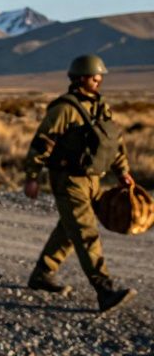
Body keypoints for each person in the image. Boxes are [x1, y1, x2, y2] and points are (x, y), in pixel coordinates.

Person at [23, 54, 136, 313]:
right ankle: (104, 290)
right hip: (68, 180)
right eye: (95, 77)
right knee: (85, 233)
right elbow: (42, 143)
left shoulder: (100, 106)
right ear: (81, 78)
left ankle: (42, 274)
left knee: (69, 228)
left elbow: (113, 142)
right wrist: (32, 177)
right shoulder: (64, 109)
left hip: (93, 179)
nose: (99, 81)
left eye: (100, 77)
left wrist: (123, 171)